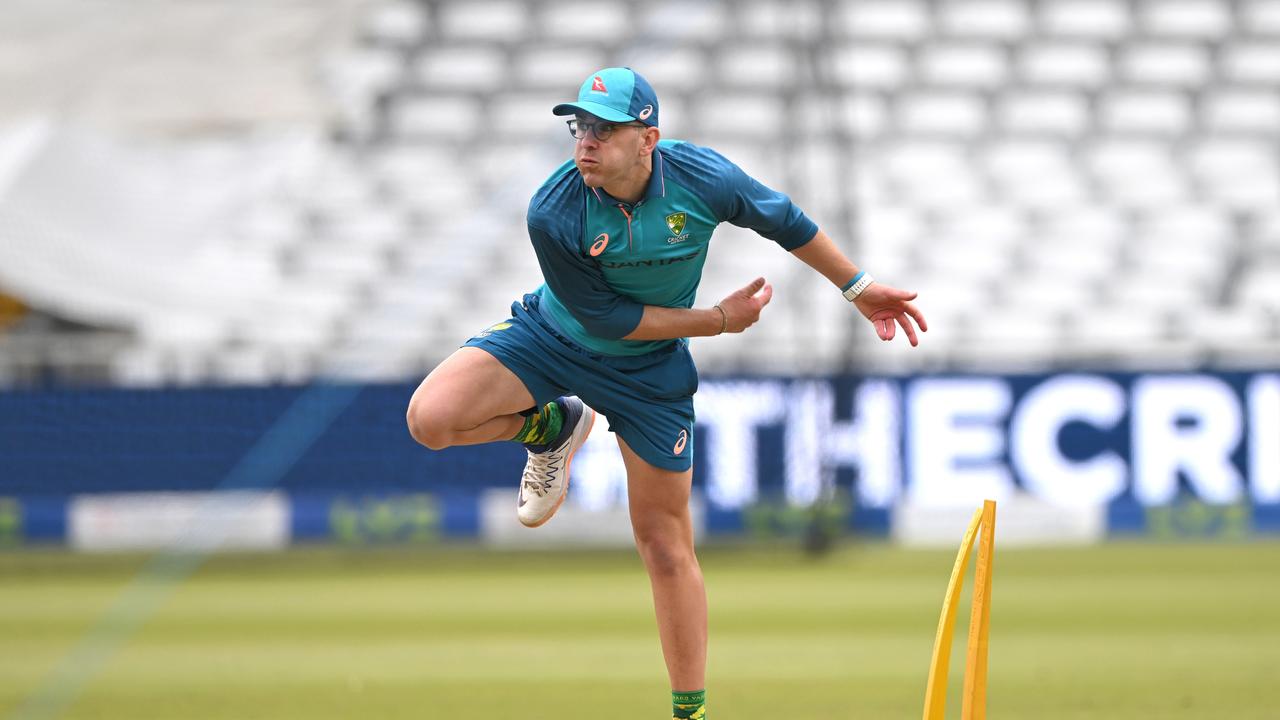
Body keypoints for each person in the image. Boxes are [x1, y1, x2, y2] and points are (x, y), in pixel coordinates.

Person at [406, 67, 926, 720]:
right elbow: (606, 321)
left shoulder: (702, 178)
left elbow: (785, 221)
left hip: (648, 374)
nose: (585, 141)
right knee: (430, 419)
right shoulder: (555, 208)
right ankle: (550, 428)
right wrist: (717, 322)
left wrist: (858, 287)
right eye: (579, 126)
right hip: (553, 336)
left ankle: (690, 713)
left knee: (662, 543)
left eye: (604, 128)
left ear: (648, 137)